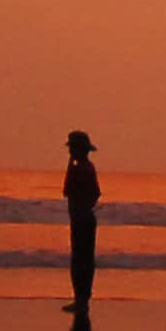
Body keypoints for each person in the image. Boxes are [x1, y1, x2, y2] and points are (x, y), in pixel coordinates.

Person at [63, 128, 99, 313]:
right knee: (84, 259)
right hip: (84, 218)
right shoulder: (86, 168)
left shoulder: (81, 169)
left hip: (81, 219)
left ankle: (81, 300)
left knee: (80, 261)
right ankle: (82, 299)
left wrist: (81, 209)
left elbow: (67, 191)